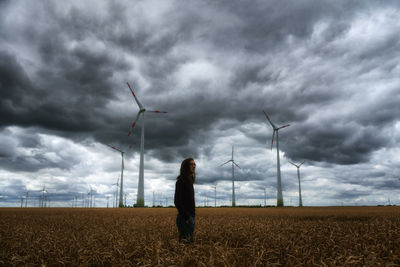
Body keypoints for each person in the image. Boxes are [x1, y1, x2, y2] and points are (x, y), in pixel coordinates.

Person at [174, 158, 196, 243]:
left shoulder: (189, 181)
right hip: (184, 218)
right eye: (191, 164)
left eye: (194, 164)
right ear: (185, 167)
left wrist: (192, 216)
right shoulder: (181, 181)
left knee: (188, 245)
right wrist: (187, 217)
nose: (194, 166)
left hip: (190, 217)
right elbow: (177, 202)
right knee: (186, 245)